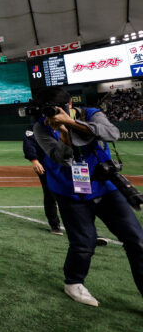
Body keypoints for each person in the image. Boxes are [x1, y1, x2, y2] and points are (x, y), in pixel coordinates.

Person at [33, 86, 143, 307]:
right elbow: (60, 158)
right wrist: (64, 134)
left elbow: (113, 134)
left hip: (104, 186)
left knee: (137, 240)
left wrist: (72, 124)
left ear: (69, 106)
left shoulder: (91, 114)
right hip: (68, 191)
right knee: (84, 243)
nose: (50, 114)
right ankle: (73, 283)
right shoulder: (41, 128)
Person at [23, 121, 62, 235]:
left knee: (79, 194)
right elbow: (29, 143)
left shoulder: (72, 121)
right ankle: (55, 225)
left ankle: (87, 227)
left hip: (70, 164)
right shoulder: (36, 125)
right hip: (46, 164)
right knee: (50, 193)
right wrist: (34, 160)